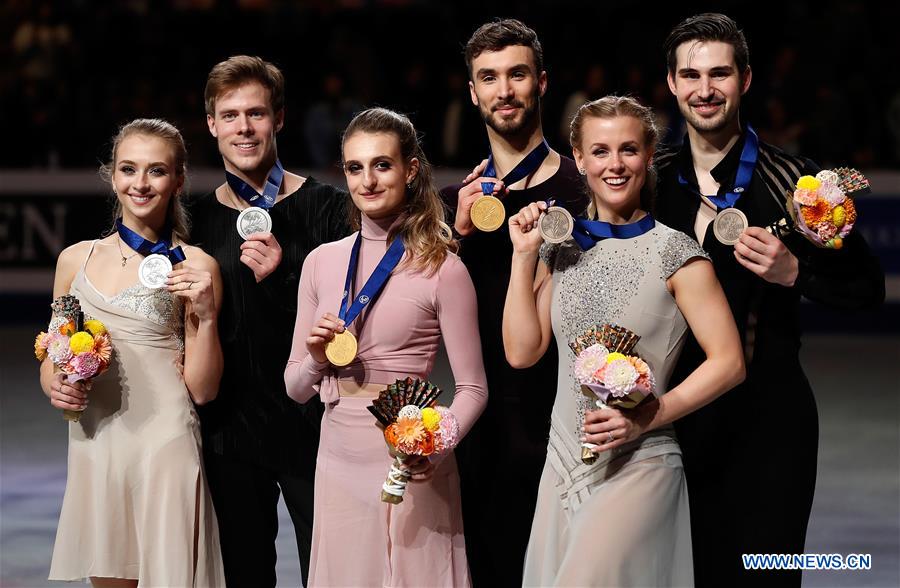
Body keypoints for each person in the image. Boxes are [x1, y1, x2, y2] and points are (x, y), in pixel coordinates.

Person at [655, 13, 885, 586]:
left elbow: (867, 290)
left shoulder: (798, 183)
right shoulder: (649, 182)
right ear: (672, 84)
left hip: (770, 427)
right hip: (672, 423)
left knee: (767, 572)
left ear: (747, 80)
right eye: (691, 75)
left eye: (720, 74)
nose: (705, 89)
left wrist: (795, 273)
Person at [503, 96, 745, 586]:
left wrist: (646, 417)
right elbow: (522, 352)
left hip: (642, 462)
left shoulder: (677, 251)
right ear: (579, 158)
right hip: (564, 463)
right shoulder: (561, 246)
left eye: (628, 150)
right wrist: (523, 257)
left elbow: (729, 362)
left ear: (649, 153)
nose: (615, 164)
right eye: (600, 151)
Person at [284, 107, 488, 587]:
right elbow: (294, 388)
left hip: (411, 460)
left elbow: (474, 388)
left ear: (410, 169)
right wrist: (315, 360)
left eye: (382, 165)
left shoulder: (444, 267)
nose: (367, 181)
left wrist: (434, 448)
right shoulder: (321, 263)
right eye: (355, 168)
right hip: (337, 460)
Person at [187, 55, 349, 587]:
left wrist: (284, 277)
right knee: (245, 573)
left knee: (328, 571)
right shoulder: (195, 220)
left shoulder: (329, 208)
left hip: (314, 424)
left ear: (278, 118)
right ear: (211, 124)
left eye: (255, 113)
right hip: (230, 429)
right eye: (229, 115)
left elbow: (348, 316)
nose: (243, 127)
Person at [42, 119, 225, 587]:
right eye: (129, 169)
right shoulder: (74, 259)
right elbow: (54, 353)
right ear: (112, 175)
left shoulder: (197, 265)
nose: (140, 183)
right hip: (97, 438)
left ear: (178, 180)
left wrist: (205, 314)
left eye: (156, 171)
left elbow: (203, 390)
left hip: (164, 439)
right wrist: (56, 386)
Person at [439, 19, 588, 585]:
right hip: (482, 427)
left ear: (542, 82)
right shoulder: (455, 206)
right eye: (489, 78)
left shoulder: (585, 189)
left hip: (567, 421)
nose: (504, 91)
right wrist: (452, 234)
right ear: (473, 91)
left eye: (517, 74)